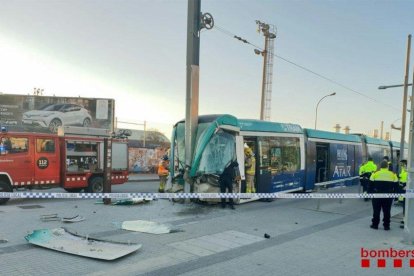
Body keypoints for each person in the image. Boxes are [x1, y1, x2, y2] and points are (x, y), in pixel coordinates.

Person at [369, 160, 398, 230]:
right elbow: (396, 186)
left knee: (376, 210)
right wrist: (395, 195)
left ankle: (375, 225)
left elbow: (370, 185)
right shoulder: (393, 174)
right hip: (388, 196)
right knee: (387, 211)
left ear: (380, 166)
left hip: (376, 195)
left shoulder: (375, 173)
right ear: (387, 166)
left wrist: (370, 194)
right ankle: (386, 226)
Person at [398, 160, 407, 229]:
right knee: (404, 205)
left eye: (402, 164)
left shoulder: (410, 170)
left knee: (407, 206)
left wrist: (407, 185)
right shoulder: (403, 169)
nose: (401, 165)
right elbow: (402, 177)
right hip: (403, 187)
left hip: (408, 188)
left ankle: (406, 222)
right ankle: (404, 220)